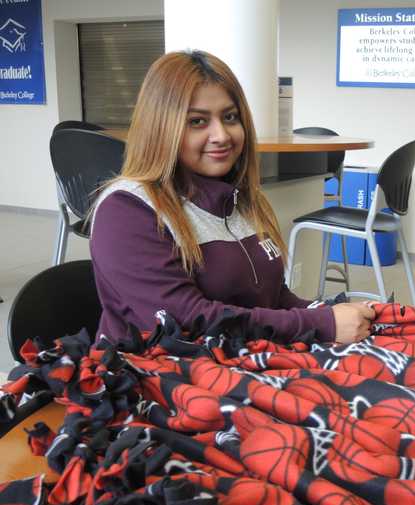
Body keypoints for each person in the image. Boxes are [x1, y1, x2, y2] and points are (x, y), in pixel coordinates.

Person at [90, 50, 374, 345]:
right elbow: (184, 321)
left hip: (241, 357)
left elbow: (273, 298)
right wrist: (321, 323)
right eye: (198, 122)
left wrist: (327, 312)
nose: (222, 135)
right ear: (161, 128)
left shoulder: (242, 200)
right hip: (155, 374)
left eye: (230, 117)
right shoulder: (126, 210)